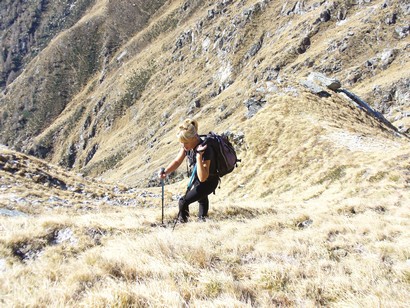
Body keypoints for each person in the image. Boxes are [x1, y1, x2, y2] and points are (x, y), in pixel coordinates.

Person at [158, 119, 219, 222]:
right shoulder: (187, 145)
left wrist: (199, 157)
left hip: (209, 182)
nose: (184, 146)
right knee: (202, 199)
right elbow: (177, 161)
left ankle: (183, 224)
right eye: (182, 143)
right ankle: (202, 221)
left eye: (185, 143)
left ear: (194, 138)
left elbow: (203, 178)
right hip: (198, 180)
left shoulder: (205, 149)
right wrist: (166, 172)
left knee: (183, 201)